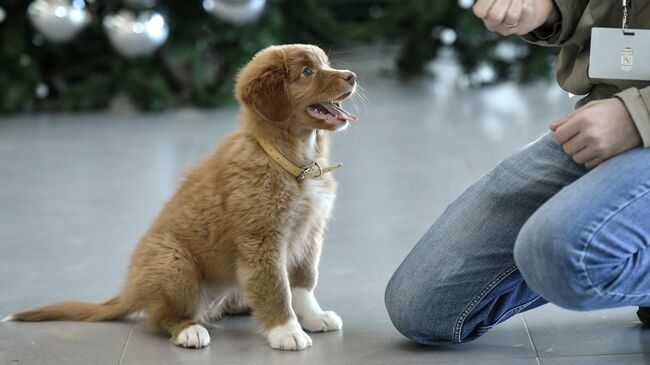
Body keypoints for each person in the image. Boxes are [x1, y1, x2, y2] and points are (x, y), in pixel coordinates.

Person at [384, 0, 650, 345]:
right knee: (424, 307)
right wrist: (549, 9)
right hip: (601, 114)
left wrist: (639, 115)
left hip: (631, 115)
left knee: (565, 254)